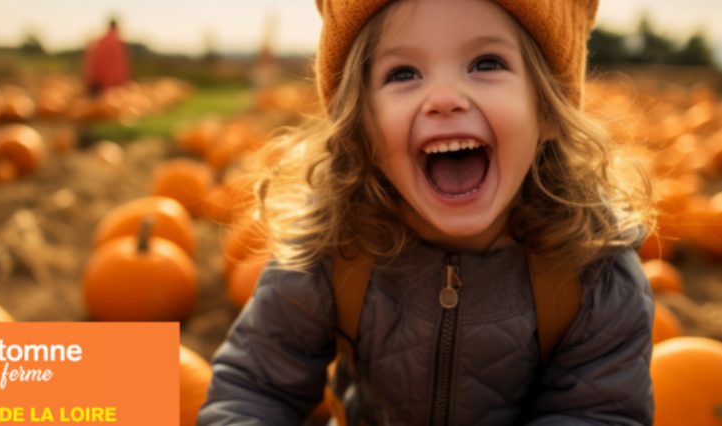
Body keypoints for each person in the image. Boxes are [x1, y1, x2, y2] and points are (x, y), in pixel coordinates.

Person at [198, 0, 655, 425]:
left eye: (486, 64)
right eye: (403, 73)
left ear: (549, 111)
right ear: (361, 128)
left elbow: (597, 414)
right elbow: (253, 387)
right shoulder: (332, 245)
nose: (444, 97)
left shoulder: (597, 276)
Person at [83, 18, 130, 97]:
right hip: (113, 84)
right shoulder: (118, 41)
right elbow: (122, 64)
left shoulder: (98, 40)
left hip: (97, 82)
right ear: (116, 27)